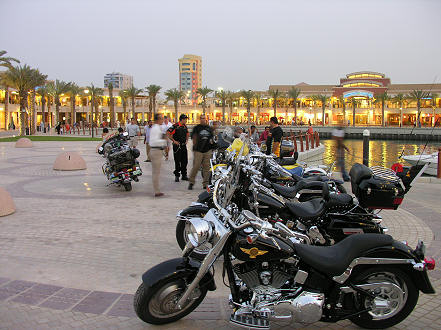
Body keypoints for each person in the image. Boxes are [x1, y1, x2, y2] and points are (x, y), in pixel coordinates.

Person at [188, 114, 215, 190]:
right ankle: (191, 182)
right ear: (200, 119)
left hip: (207, 150)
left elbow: (212, 138)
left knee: (206, 168)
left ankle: (205, 183)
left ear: (206, 119)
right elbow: (194, 137)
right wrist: (195, 147)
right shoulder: (197, 128)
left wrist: (212, 147)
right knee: (196, 166)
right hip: (198, 150)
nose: (203, 119)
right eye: (201, 118)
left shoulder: (209, 128)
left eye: (204, 118)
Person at [167, 114, 189, 182]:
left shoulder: (185, 126)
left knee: (185, 161)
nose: (186, 120)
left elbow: (187, 134)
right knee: (177, 161)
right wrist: (174, 141)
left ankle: (184, 175)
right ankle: (177, 175)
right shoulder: (175, 126)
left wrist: (187, 140)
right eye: (185, 119)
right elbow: (168, 133)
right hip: (177, 146)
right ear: (182, 119)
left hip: (183, 146)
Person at [149, 114, 166, 197]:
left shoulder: (157, 128)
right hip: (156, 150)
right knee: (156, 172)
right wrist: (163, 141)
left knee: (157, 172)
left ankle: (157, 189)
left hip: (157, 150)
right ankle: (156, 190)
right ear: (158, 120)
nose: (162, 120)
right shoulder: (155, 128)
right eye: (161, 119)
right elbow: (153, 141)